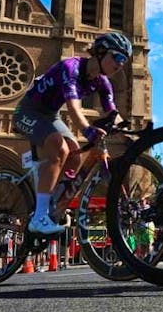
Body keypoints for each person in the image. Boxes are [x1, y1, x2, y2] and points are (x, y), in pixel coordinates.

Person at [12, 32, 131, 235]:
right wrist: (88, 130)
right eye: (118, 57)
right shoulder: (72, 68)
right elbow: (74, 108)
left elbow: (113, 114)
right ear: (101, 52)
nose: (120, 64)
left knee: (75, 155)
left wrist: (132, 135)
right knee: (59, 149)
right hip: (27, 111)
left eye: (124, 60)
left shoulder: (103, 82)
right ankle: (39, 217)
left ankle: (52, 203)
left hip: (50, 115)